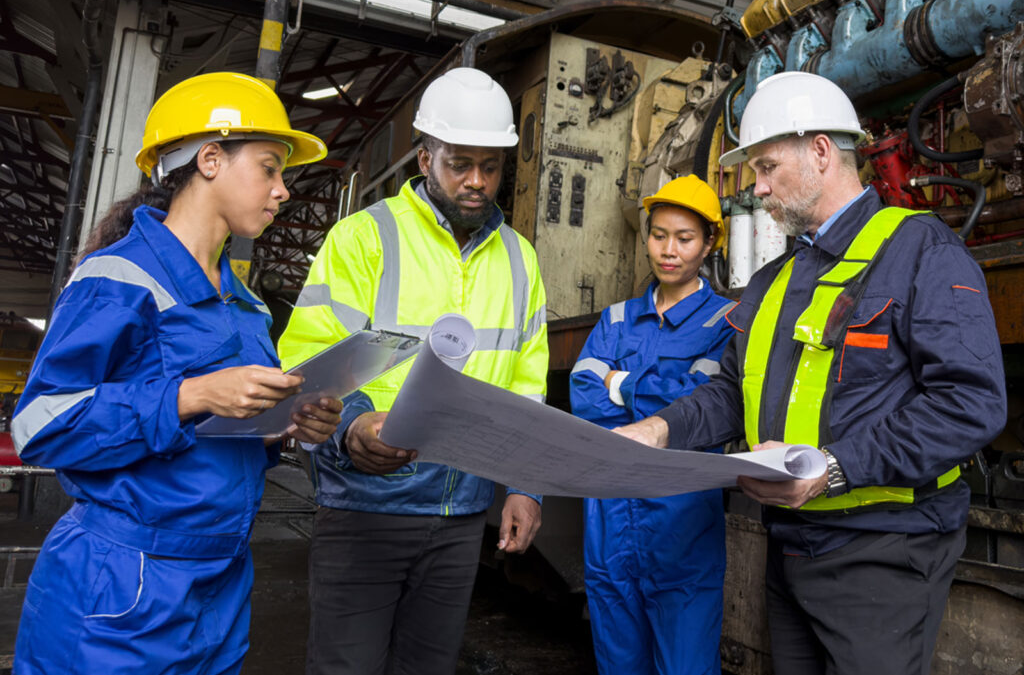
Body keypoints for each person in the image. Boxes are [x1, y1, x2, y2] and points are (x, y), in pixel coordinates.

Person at [614, 71, 1006, 675]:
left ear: (821, 151)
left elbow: (970, 404)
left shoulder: (921, 249)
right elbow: (728, 391)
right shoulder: (774, 281)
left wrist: (834, 468)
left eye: (767, 168)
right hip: (791, 547)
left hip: (884, 552)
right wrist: (659, 430)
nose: (758, 189)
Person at [11, 72, 343, 675]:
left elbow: (225, 434)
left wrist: (283, 427)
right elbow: (39, 423)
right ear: (210, 159)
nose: (283, 191)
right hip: (121, 586)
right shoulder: (118, 277)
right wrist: (191, 394)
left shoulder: (246, 305)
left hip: (220, 580)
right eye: (270, 168)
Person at [277, 66, 549, 675]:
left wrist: (526, 487)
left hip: (458, 518)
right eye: (460, 164)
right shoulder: (363, 240)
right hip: (364, 510)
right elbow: (307, 362)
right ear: (424, 159)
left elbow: (527, 387)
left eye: (492, 166)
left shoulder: (521, 260)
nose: (477, 182)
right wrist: (351, 429)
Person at [569, 174, 734, 675]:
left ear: (709, 244)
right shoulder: (616, 318)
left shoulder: (726, 322)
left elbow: (702, 405)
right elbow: (582, 393)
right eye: (659, 235)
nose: (669, 250)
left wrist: (620, 384)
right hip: (609, 529)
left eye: (684, 239)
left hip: (681, 534)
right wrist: (658, 394)